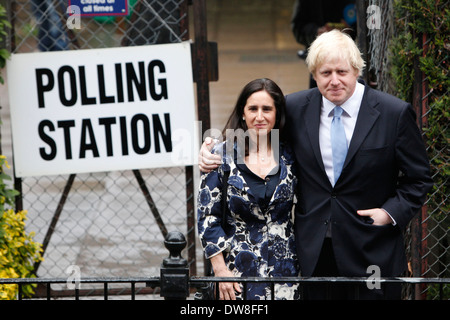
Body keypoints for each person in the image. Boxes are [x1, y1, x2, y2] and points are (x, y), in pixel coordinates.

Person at [198, 30, 433, 299]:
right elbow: (257, 135)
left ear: (356, 70)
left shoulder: (394, 113)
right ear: (314, 73)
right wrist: (212, 150)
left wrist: (389, 213)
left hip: (372, 250)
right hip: (312, 253)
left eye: (342, 72)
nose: (334, 81)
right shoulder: (296, 107)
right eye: (325, 73)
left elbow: (419, 178)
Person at [197, 78, 300, 300]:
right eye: (253, 108)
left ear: (276, 114)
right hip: (237, 272)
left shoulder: (291, 154)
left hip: (286, 271)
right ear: (243, 113)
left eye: (267, 109)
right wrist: (220, 271)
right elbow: (207, 219)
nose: (260, 116)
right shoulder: (220, 155)